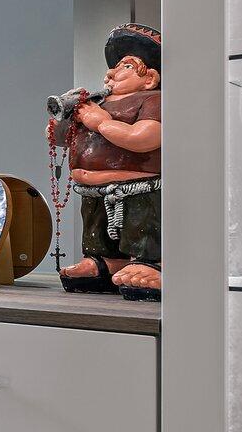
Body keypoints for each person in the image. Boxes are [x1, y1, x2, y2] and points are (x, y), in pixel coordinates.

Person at [54, 23, 163, 301]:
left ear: (150, 78)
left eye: (125, 66)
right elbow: (61, 139)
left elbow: (145, 138)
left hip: (138, 187)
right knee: (95, 226)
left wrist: (101, 122)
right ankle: (105, 260)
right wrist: (62, 121)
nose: (111, 73)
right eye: (113, 67)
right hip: (93, 189)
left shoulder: (153, 100)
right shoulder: (97, 104)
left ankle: (148, 261)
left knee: (140, 223)